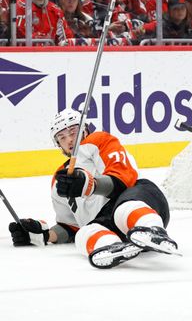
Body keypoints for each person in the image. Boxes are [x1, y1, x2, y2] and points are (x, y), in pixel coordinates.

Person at [8, 109, 178, 269]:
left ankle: (153, 230)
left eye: (73, 132)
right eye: (61, 137)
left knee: (123, 209)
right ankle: (112, 246)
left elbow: (124, 179)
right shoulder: (59, 180)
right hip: (111, 225)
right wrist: (43, 235)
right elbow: (71, 227)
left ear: (85, 130)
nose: (69, 139)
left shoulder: (99, 141)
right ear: (58, 144)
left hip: (143, 201)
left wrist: (90, 185)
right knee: (84, 233)